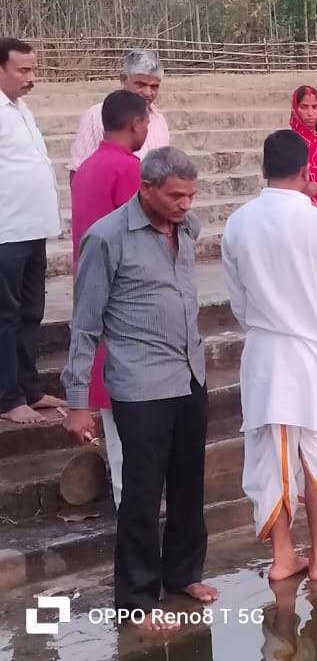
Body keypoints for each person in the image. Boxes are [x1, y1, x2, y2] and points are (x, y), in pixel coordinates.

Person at [61, 147, 217, 630]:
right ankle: (136, 600)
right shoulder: (107, 238)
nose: (185, 205)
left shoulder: (185, 228)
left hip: (189, 375)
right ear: (146, 189)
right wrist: (77, 402)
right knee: (143, 494)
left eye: (191, 196)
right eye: (175, 196)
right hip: (141, 385)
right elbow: (85, 325)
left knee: (189, 483)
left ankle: (184, 573)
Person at [224, 129, 317, 584]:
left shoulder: (238, 224)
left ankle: (282, 557)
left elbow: (239, 304)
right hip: (315, 359)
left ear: (263, 169)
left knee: (271, 458)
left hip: (265, 357)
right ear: (307, 171)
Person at [67, 90, 150, 507]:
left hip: (95, 298)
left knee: (118, 428)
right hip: (126, 306)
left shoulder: (86, 168)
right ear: (135, 123)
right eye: (146, 122)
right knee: (137, 429)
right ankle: (137, 511)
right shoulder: (129, 169)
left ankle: (126, 503)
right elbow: (142, 240)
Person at [0, 38, 64, 425]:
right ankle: (8, 397)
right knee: (5, 315)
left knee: (30, 312)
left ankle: (29, 388)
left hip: (32, 227)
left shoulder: (19, 108)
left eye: (33, 69)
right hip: (5, 231)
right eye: (22, 70)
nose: (31, 77)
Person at [67, 50, 171, 181]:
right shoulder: (96, 115)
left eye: (154, 87)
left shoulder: (159, 120)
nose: (148, 92)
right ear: (123, 79)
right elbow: (78, 170)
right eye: (141, 84)